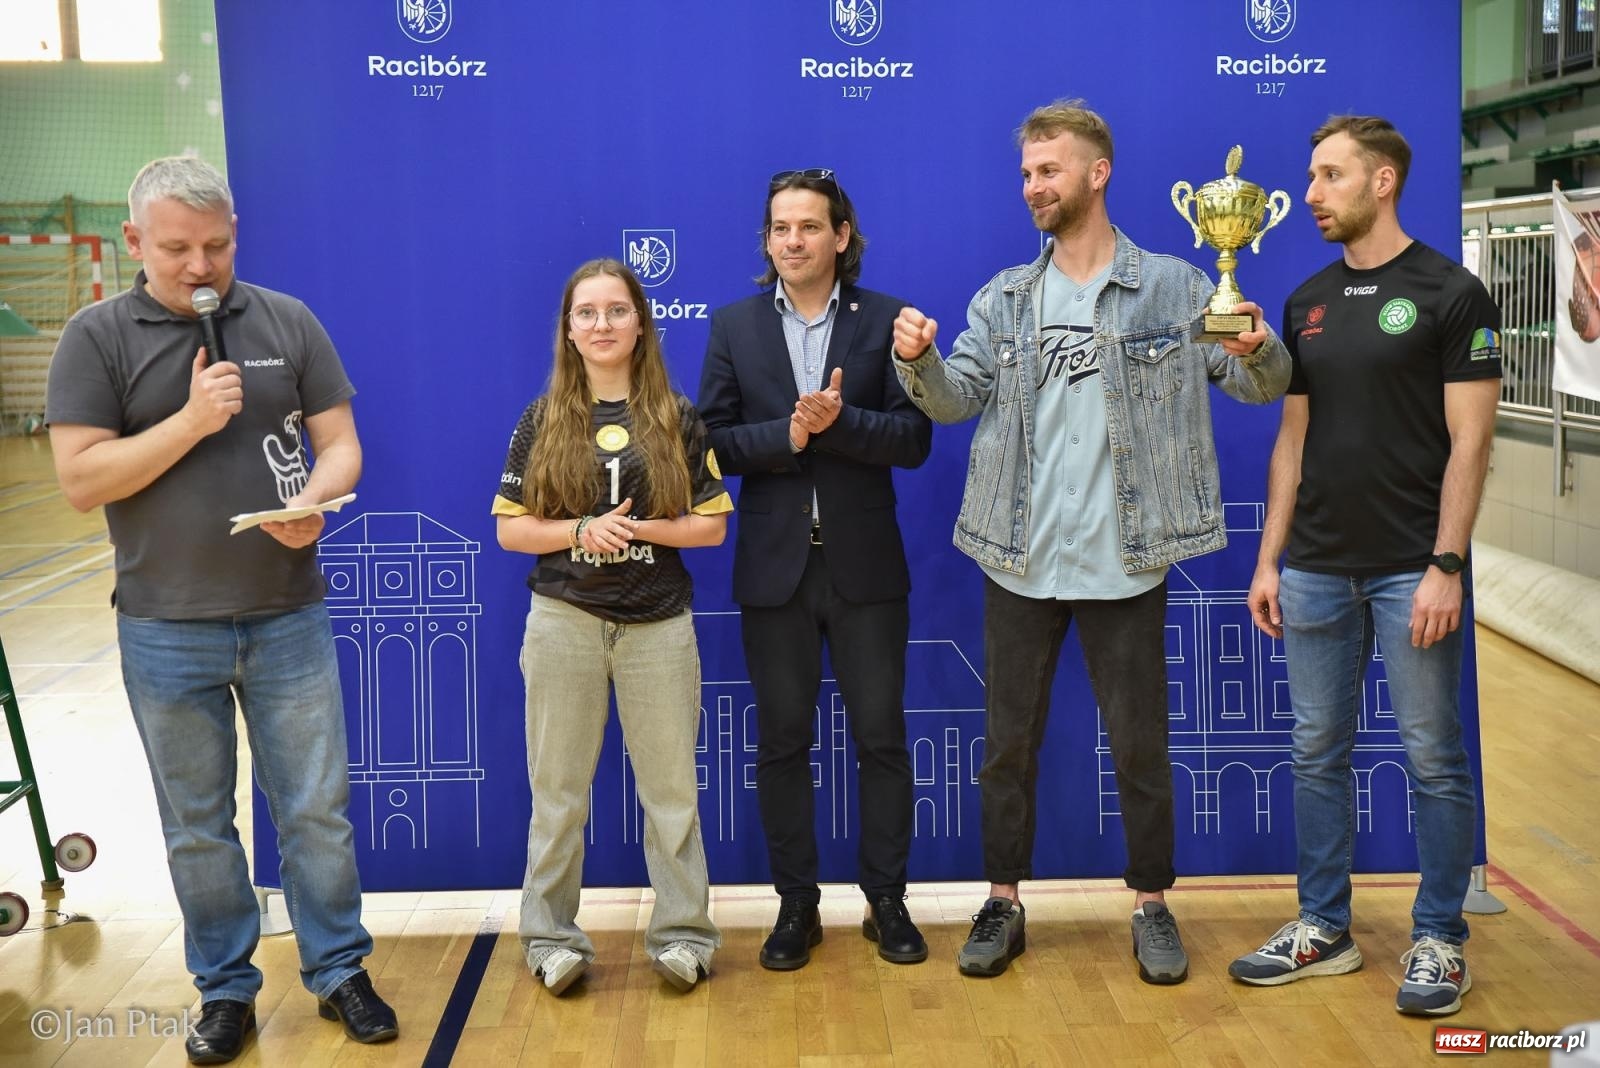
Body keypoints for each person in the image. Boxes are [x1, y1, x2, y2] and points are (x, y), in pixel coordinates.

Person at [890, 100, 1291, 983]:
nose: (1033, 186)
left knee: (1141, 747)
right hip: (1019, 555)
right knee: (1007, 749)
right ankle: (1003, 903)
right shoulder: (1004, 297)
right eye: (1027, 173)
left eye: (1049, 171)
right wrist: (917, 362)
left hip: (1128, 556)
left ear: (1096, 173)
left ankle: (1151, 906)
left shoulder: (1182, 288)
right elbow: (958, 398)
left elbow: (1257, 385)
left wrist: (1258, 347)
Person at [44, 156, 395, 1064]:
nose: (200, 266)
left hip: (287, 615)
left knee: (316, 810)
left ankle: (339, 971)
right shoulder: (95, 338)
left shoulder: (288, 320)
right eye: (177, 249)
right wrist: (191, 422)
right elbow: (82, 480)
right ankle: (226, 990)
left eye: (217, 245)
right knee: (198, 824)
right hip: (163, 627)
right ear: (134, 243)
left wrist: (315, 500)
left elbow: (343, 444)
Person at [1229, 116, 1502, 1018]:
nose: (1310, 193)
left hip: (1409, 571)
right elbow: (1290, 444)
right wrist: (1270, 561)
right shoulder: (1306, 297)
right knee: (1316, 752)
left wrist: (1447, 564)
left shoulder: (1449, 292)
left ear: (1382, 182)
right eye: (1310, 176)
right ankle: (1324, 928)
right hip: (1313, 569)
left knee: (1433, 756)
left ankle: (1439, 937)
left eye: (1329, 176)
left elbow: (1472, 442)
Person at [696, 169, 933, 970]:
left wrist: (836, 425)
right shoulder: (733, 326)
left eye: (807, 226)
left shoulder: (887, 319)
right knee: (782, 745)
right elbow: (713, 445)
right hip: (774, 572)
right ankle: (797, 906)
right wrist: (790, 439)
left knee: (881, 739)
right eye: (778, 228)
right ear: (767, 241)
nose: (791, 240)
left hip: (867, 570)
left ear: (841, 235)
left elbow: (913, 440)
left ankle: (887, 902)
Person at [493, 258, 730, 996]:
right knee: (558, 794)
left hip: (658, 626)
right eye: (587, 313)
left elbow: (713, 528)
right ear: (569, 329)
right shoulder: (541, 419)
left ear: (640, 324)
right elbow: (509, 531)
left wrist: (644, 529)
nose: (602, 324)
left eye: (616, 311)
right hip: (564, 620)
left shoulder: (677, 417)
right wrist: (578, 530)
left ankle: (685, 936)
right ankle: (550, 938)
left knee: (671, 794)